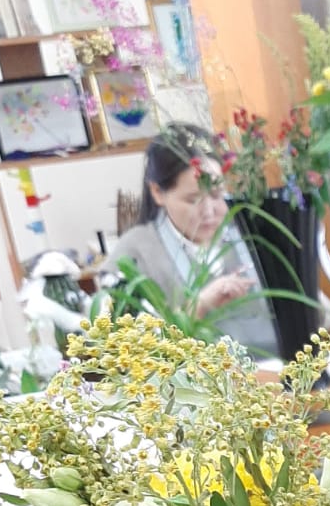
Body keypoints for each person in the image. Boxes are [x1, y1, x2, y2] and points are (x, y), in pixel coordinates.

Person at [102, 124, 279, 358]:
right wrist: (198, 306)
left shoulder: (252, 232)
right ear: (157, 192)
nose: (209, 211)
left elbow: (315, 314)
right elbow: (121, 349)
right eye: (193, 199)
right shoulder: (135, 251)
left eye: (217, 194)